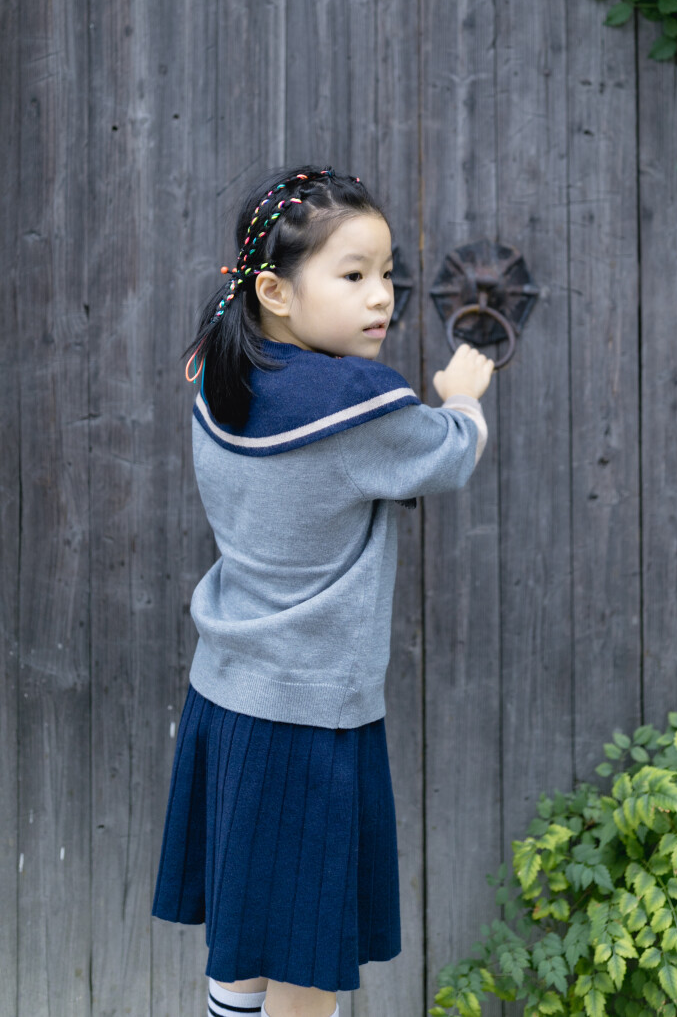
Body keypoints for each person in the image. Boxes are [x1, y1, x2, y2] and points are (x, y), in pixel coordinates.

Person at [151, 165, 494, 1017]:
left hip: (227, 698)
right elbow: (447, 453)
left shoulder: (219, 373)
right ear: (273, 289)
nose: (382, 297)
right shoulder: (354, 402)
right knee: (306, 957)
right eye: (353, 275)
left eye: (386, 274)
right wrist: (466, 399)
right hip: (310, 721)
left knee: (243, 936)